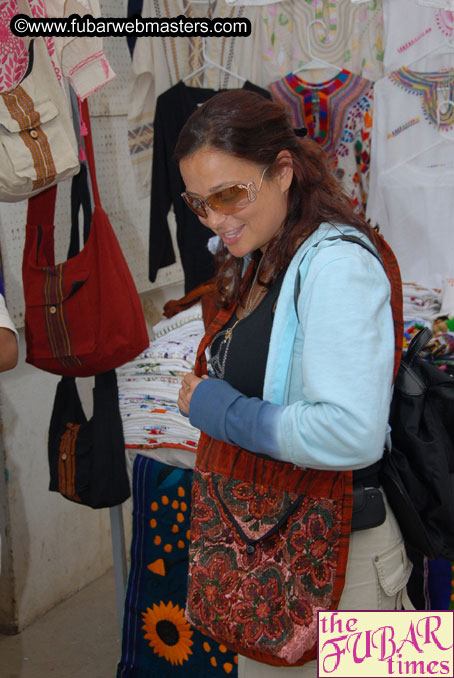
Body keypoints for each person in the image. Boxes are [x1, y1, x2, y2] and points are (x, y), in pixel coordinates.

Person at [175, 90, 412, 677]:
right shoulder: (269, 251)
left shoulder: (339, 265)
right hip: (284, 562)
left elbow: (354, 434)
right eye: (199, 204)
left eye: (231, 195)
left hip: (354, 572)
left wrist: (218, 408)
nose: (216, 220)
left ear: (282, 172)